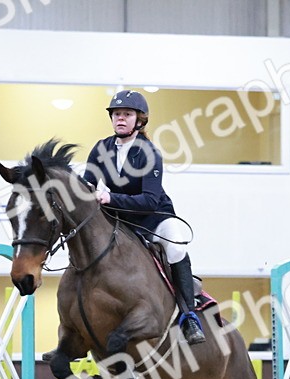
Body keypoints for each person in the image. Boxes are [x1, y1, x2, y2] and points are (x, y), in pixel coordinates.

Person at [82, 90, 205, 345]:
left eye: (127, 114)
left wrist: (109, 198)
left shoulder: (149, 152)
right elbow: (87, 185)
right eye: (116, 114)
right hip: (119, 220)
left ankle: (188, 315)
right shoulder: (102, 148)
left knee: (176, 245)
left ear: (140, 119)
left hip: (154, 218)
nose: (120, 119)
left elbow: (149, 200)